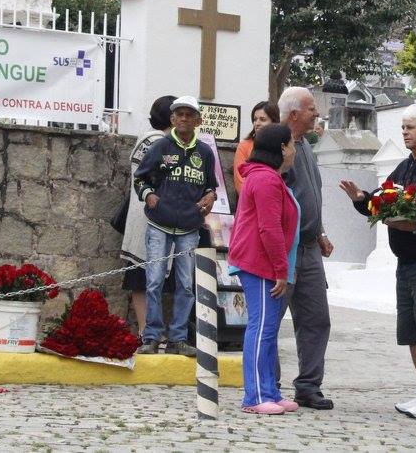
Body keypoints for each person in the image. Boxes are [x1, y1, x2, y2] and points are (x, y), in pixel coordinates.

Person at [339, 103, 416, 420]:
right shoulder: (407, 165)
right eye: (403, 127)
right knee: (411, 330)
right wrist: (362, 199)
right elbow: (382, 199)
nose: (404, 132)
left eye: (409, 127)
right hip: (406, 260)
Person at [132, 96, 218, 356]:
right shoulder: (160, 146)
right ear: (171, 119)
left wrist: (210, 197)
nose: (183, 118)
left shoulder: (204, 153)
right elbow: (140, 178)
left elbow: (211, 186)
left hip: (190, 227)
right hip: (159, 223)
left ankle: (178, 338)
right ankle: (152, 336)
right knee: (154, 280)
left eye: (189, 114)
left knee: (186, 284)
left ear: (198, 121)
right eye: (179, 114)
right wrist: (148, 195)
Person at [228, 123, 301, 415]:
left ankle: (270, 390)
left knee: (268, 330)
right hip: (260, 263)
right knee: (261, 329)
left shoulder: (268, 178)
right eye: (292, 145)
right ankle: (255, 395)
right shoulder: (266, 180)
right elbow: (269, 229)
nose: (295, 151)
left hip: (265, 262)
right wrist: (281, 270)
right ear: (282, 148)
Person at [278, 86, 335, 410]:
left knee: (316, 318)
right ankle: (268, 385)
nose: (317, 114)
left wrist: (321, 230)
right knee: (273, 319)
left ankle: (308, 386)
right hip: (285, 247)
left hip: (311, 247)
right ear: (295, 113)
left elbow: (310, 196)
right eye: (312, 109)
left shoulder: (307, 147)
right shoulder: (278, 145)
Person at [120, 94, 175, 338]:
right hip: (148, 218)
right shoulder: (154, 142)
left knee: (156, 279)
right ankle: (145, 329)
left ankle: (154, 328)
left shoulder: (165, 141)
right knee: (141, 277)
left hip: (164, 219)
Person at [232, 101, 280, 192]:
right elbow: (240, 182)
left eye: (262, 119)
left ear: (274, 122)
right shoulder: (245, 146)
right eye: (255, 119)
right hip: (251, 201)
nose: (257, 123)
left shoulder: (282, 147)